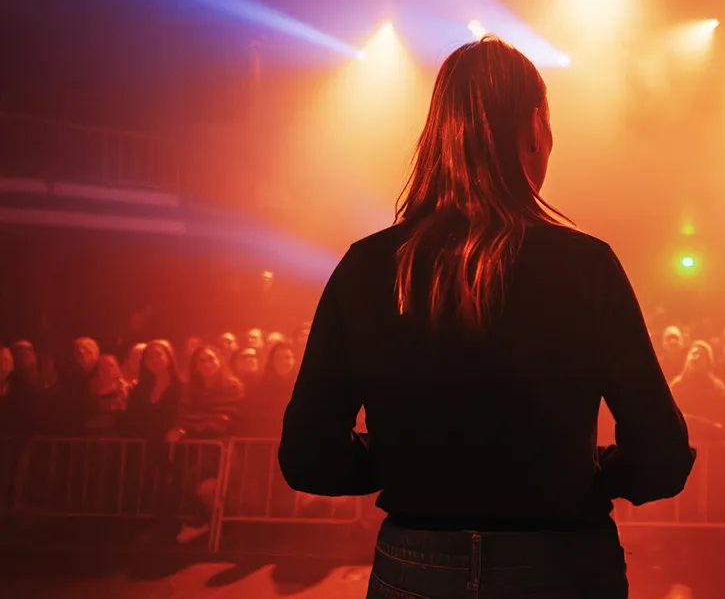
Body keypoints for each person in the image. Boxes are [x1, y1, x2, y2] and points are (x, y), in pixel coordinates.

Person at [279, 36, 694, 599]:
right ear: (533, 129)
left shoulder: (369, 266)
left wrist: (407, 463)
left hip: (416, 567)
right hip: (560, 565)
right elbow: (662, 456)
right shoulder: (585, 266)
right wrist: (593, 473)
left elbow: (308, 457)